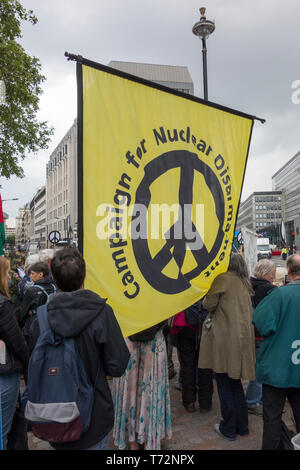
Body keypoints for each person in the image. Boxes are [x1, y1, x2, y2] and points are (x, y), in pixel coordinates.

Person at [27, 247, 130, 450]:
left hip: (54, 414)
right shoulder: (101, 312)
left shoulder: (40, 318)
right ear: (84, 274)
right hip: (94, 416)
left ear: (54, 279)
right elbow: (117, 365)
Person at [198, 253, 255, 441]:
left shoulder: (223, 279)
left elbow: (208, 304)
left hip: (224, 340)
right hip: (240, 340)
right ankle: (243, 426)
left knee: (223, 382)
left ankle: (228, 427)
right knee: (235, 383)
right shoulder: (244, 282)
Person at [253, 254, 300, 450]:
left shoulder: (279, 295)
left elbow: (261, 324)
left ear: (288, 271)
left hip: (277, 367)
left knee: (272, 419)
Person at [112, 320, 172, 450]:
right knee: (150, 390)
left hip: (130, 333)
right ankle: (147, 440)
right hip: (152, 335)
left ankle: (134, 441)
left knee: (130, 391)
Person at [0, 257, 29, 450]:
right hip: (4, 373)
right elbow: (17, 343)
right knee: (2, 429)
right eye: (8, 272)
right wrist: (28, 365)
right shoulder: (3, 304)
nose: (10, 276)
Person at [245, 259, 277, 416]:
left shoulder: (250, 285)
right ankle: (252, 400)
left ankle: (258, 398)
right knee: (261, 370)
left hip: (252, 332)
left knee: (259, 368)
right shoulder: (269, 289)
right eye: (272, 274)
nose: (274, 277)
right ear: (265, 273)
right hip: (263, 334)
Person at [171, 303, 213, 414]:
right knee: (206, 364)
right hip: (206, 322)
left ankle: (189, 402)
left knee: (188, 364)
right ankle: (205, 404)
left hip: (186, 322)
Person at [20, 261, 56, 352]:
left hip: (34, 328)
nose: (30, 276)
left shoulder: (32, 291)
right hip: (52, 325)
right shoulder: (55, 288)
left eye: (33, 274)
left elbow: (23, 313)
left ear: (40, 274)